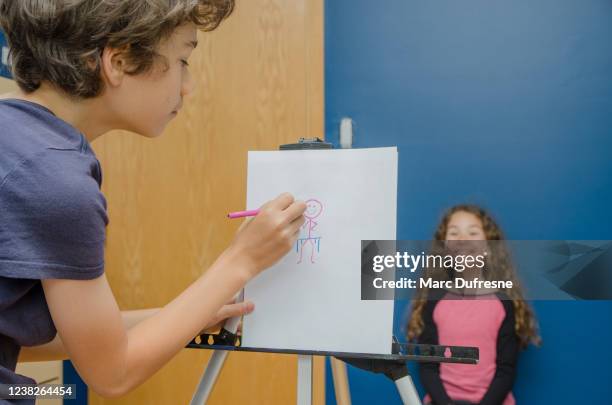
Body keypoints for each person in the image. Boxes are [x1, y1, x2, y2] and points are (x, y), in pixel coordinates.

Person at [0, 0, 306, 400]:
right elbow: (112, 373)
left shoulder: (16, 137)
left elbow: (38, 336)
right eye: (182, 60)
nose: (187, 86)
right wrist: (241, 260)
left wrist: (185, 314)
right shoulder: (56, 181)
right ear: (119, 62)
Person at [407, 205, 540, 405]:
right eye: (454, 232)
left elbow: (506, 371)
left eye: (472, 232)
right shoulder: (434, 302)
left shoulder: (504, 305)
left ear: (488, 246)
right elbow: (428, 367)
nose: (462, 239)